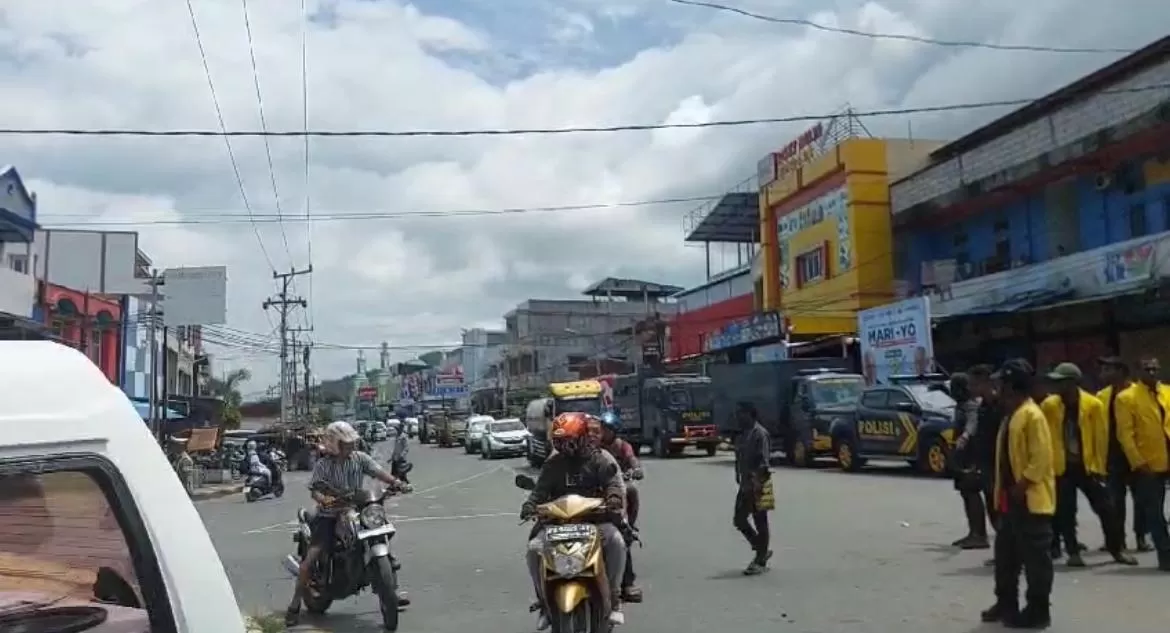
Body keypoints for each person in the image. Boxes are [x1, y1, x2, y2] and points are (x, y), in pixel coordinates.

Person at [285, 421, 413, 626]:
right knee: (310, 559)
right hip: (329, 515)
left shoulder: (359, 459)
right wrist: (323, 499)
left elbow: (378, 472)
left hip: (356, 508)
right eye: (346, 443)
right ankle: (294, 605)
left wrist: (397, 483)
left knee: (381, 529)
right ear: (335, 444)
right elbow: (315, 490)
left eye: (352, 442)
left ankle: (390, 592)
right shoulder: (323, 465)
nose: (352, 445)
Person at [521, 412, 628, 629]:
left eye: (569, 441)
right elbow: (539, 491)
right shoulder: (553, 464)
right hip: (558, 525)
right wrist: (530, 505)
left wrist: (614, 498)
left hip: (596, 521)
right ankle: (543, 602)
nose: (564, 446)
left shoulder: (601, 459)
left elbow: (613, 484)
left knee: (616, 541)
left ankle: (614, 599)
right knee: (534, 549)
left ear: (582, 437)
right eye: (560, 442)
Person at [1039, 362, 1135, 567]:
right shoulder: (1050, 406)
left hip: (1088, 465)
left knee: (1107, 509)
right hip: (1062, 466)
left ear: (1073, 382)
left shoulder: (1093, 404)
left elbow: (1101, 438)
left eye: (1061, 382)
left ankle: (1116, 549)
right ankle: (1073, 552)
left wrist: (1100, 468)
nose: (1057, 386)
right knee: (1065, 512)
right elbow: (1045, 437)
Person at [982, 359, 1054, 629]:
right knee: (1006, 558)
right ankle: (1006, 603)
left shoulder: (1031, 414)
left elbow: (1042, 457)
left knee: (1036, 562)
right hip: (1011, 500)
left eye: (1001, 383)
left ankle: (1038, 610)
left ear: (1012, 385)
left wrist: (1023, 483)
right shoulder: (1011, 414)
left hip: (1030, 500)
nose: (997, 388)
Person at [1114, 356, 1170, 571]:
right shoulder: (1127, 398)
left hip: (1168, 456)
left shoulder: (1167, 392)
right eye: (1148, 369)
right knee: (1155, 512)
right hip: (1147, 463)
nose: (1152, 373)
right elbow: (1125, 435)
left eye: (1155, 369)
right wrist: (1138, 462)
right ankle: (1165, 555)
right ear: (1139, 371)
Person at [1097, 356, 1149, 552]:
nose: (1104, 373)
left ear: (1121, 371)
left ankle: (1141, 536)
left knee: (1141, 499)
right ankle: (1117, 539)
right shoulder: (1102, 396)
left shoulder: (1138, 393)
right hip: (1113, 455)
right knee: (1114, 500)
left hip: (1137, 452)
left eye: (1108, 369)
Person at [599, 410, 643, 602]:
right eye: (602, 429)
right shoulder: (594, 448)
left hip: (618, 489)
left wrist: (636, 469)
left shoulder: (622, 446)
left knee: (622, 536)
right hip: (597, 491)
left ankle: (627, 583)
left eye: (607, 430)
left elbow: (632, 460)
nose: (603, 433)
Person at [732, 401, 772, 575]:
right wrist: (738, 474)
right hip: (745, 484)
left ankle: (760, 559)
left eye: (742, 413)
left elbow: (764, 461)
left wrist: (758, 483)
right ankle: (760, 548)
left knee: (760, 520)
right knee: (739, 519)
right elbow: (738, 457)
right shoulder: (742, 434)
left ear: (750, 414)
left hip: (758, 483)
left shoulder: (760, 434)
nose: (738, 417)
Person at [951, 372, 990, 549]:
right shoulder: (960, 405)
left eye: (956, 387)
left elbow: (971, 424)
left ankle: (979, 535)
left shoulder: (970, 406)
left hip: (972, 456)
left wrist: (965, 437)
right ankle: (973, 532)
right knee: (966, 493)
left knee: (971, 492)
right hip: (962, 456)